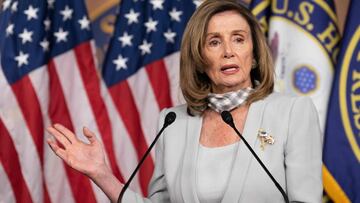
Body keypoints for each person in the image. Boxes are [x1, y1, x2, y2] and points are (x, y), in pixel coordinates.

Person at [46, 0, 323, 202]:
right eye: (214, 42)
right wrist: (101, 173)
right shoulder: (173, 122)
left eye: (238, 39)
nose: (228, 52)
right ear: (200, 59)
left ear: (255, 54)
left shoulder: (292, 113)